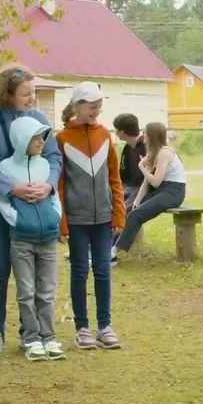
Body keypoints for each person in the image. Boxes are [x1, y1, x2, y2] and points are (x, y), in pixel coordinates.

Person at [0, 65, 62, 357]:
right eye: (26, 94)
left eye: (34, 92)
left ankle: (32, 333)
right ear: (7, 94)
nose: (32, 99)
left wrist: (48, 186)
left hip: (33, 205)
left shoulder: (38, 119)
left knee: (35, 273)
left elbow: (54, 157)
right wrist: (13, 188)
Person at [57, 82, 126, 351]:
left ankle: (105, 326)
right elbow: (60, 184)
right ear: (77, 106)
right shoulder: (61, 138)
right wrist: (62, 221)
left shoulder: (106, 135)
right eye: (91, 105)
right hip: (76, 220)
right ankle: (82, 327)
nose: (96, 110)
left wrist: (119, 213)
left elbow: (115, 179)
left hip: (104, 219)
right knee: (79, 271)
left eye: (99, 105)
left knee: (103, 270)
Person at [0, 117, 64, 362]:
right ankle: (31, 338)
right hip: (22, 240)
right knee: (26, 291)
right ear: (22, 139)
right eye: (35, 137)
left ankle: (48, 336)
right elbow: (2, 201)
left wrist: (55, 216)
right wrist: (19, 221)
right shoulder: (5, 168)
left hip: (48, 238)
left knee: (47, 291)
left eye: (43, 136)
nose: (41, 142)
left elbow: (54, 195)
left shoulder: (45, 165)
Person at [114, 122, 187, 260]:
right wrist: (137, 200)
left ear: (152, 136)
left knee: (135, 215)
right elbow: (147, 182)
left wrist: (141, 167)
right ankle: (105, 247)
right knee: (125, 211)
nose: (143, 135)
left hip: (173, 192)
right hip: (161, 190)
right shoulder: (153, 152)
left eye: (145, 133)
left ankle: (114, 252)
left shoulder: (165, 153)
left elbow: (155, 181)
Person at [113, 113, 147, 211]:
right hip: (129, 187)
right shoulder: (128, 148)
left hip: (143, 188)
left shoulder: (146, 147)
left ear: (122, 131)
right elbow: (123, 173)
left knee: (123, 210)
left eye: (116, 129)